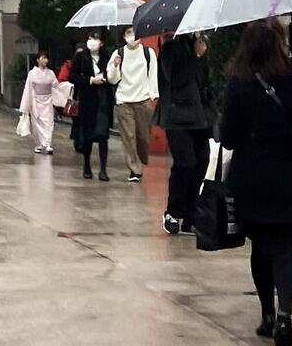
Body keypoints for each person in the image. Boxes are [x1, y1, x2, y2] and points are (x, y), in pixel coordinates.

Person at [215, 19, 292, 346]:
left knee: (260, 249)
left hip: (251, 176)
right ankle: (286, 312)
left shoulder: (238, 83)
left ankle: (267, 314)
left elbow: (227, 137)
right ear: (278, 44)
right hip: (291, 174)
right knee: (286, 252)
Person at [158, 29, 215, 232]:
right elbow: (176, 79)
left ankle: (191, 212)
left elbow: (204, 82)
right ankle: (172, 211)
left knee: (201, 161)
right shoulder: (170, 48)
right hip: (176, 115)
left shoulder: (198, 46)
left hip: (199, 116)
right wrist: (195, 57)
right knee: (185, 162)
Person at [64, 32, 115, 180]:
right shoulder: (80, 57)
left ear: (102, 43)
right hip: (88, 99)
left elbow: (113, 77)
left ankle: (103, 169)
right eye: (90, 38)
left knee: (103, 135)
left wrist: (110, 72)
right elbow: (72, 77)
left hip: (103, 99)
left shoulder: (108, 57)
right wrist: (91, 80)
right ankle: (86, 165)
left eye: (96, 39)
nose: (92, 41)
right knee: (87, 135)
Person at [110, 26, 158, 183]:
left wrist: (153, 94)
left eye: (135, 33)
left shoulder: (148, 53)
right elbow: (112, 79)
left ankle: (140, 159)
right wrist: (116, 66)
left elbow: (153, 75)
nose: (132, 36)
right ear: (124, 36)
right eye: (129, 33)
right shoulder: (118, 54)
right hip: (124, 100)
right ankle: (135, 170)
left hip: (143, 100)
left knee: (143, 137)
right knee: (129, 136)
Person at [22, 48, 60, 156]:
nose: (45, 60)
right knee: (37, 123)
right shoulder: (32, 73)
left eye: (46, 58)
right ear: (38, 60)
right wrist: (26, 105)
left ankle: (47, 144)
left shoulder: (51, 73)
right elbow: (28, 89)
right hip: (36, 100)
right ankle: (40, 143)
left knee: (48, 123)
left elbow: (56, 86)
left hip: (48, 100)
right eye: (43, 58)